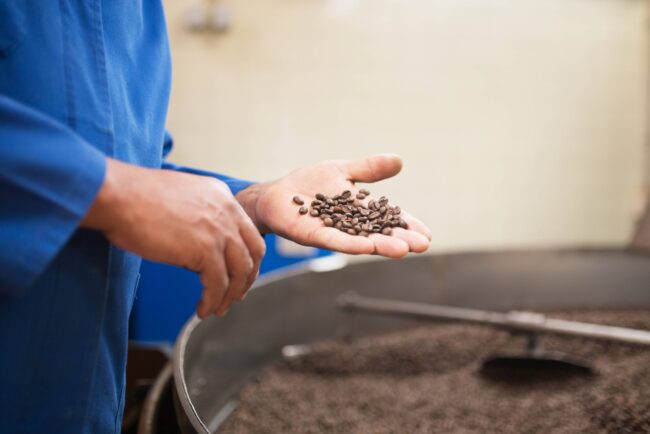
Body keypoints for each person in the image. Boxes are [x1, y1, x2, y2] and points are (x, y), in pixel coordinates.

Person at [0, 2, 432, 433]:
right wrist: (111, 192)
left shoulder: (137, 11)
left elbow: (135, 168)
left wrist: (251, 200)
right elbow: (115, 183)